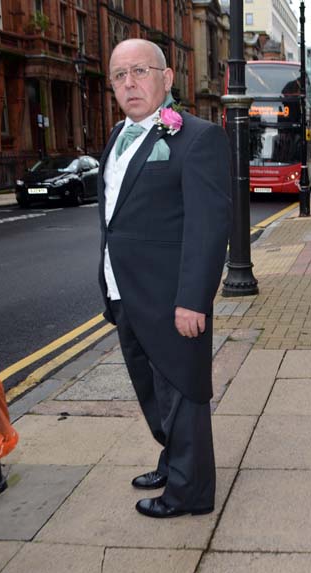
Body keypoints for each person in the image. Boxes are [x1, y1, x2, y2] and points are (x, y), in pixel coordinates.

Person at [97, 39, 231, 519]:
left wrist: (193, 299)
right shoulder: (117, 136)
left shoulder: (196, 138)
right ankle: (173, 459)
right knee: (151, 389)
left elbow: (209, 226)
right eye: (119, 75)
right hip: (125, 292)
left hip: (173, 297)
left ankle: (190, 491)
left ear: (167, 78)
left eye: (140, 71)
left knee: (183, 393)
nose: (129, 83)